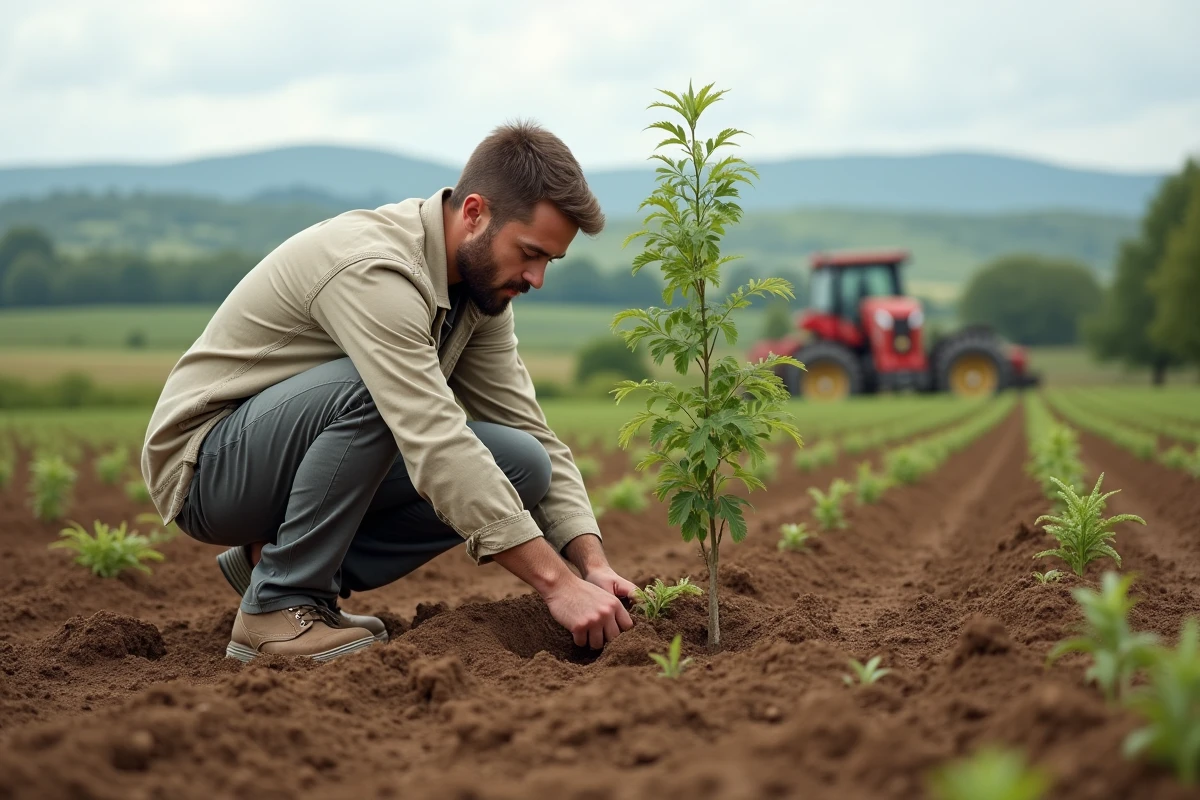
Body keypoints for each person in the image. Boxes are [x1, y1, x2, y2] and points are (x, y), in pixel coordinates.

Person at [140, 122, 638, 662]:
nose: (536, 277)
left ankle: (273, 562)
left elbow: (527, 426)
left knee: (523, 462)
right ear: (475, 213)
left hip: (279, 463)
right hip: (207, 466)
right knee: (375, 392)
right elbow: (433, 437)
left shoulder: (480, 291)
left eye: (549, 261)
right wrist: (556, 586)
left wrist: (591, 563)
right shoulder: (377, 271)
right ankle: (278, 603)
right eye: (530, 252)